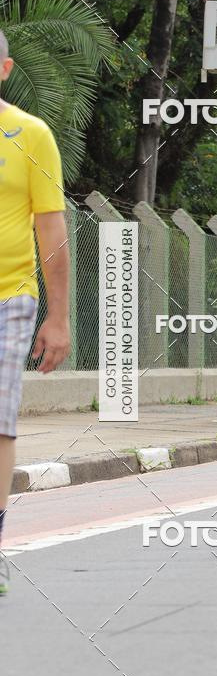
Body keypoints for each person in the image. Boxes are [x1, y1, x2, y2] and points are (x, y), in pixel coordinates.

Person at [0, 30, 71, 595]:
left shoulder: (30, 134)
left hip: (10, 295)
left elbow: (51, 229)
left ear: (5, 69)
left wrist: (59, 316)